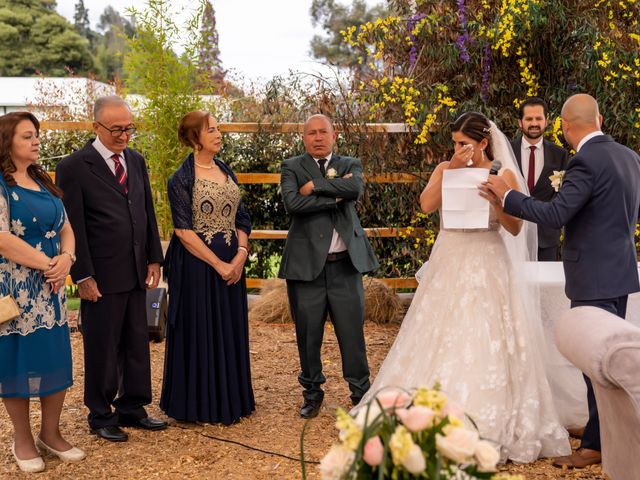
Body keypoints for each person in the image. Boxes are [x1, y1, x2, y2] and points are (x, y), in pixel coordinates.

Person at [357, 112, 571, 463]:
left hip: (488, 260)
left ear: (484, 143)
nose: (458, 149)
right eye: (454, 143)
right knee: (437, 332)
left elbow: (516, 229)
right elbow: (426, 205)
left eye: (464, 144)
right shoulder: (445, 168)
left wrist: (496, 203)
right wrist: (452, 168)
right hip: (450, 259)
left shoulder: (502, 175)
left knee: (486, 334)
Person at [481, 94, 640, 468]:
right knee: (610, 359)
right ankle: (607, 436)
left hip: (592, 277)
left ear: (565, 126)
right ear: (599, 118)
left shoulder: (584, 161)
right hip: (619, 271)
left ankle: (595, 446)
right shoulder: (629, 157)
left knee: (595, 363)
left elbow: (556, 214)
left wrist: (509, 197)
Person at [56, 96, 166, 442]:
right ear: (96, 127)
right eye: (116, 129)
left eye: (128, 128)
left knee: (136, 340)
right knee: (102, 346)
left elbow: (145, 210)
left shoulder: (136, 159)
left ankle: (133, 407)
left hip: (135, 269)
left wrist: (154, 257)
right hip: (100, 275)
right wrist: (83, 275)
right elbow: (73, 224)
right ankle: (101, 413)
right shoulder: (74, 166)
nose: (123, 135)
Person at [279, 114, 379, 419]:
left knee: (352, 334)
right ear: (304, 138)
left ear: (334, 136)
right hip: (305, 267)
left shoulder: (351, 164)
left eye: (323, 132)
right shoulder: (291, 166)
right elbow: (292, 204)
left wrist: (315, 187)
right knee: (308, 335)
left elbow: (355, 191)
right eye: (311, 133)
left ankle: (360, 392)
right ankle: (311, 393)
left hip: (345, 267)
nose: (318, 137)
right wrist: (335, 194)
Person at [0, 112, 85, 472]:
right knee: (16, 360)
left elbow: (66, 226)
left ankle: (50, 433)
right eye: (27, 136)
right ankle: (22, 438)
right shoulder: (1, 186)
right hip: (17, 290)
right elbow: (2, 239)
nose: (36, 141)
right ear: (7, 142)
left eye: (36, 135)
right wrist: (49, 265)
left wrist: (67, 257)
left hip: (51, 289)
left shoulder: (42, 179)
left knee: (55, 357)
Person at [160, 111, 255, 424]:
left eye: (218, 129)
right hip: (197, 268)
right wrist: (218, 264)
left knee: (228, 327)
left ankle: (231, 400)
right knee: (200, 329)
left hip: (232, 265)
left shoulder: (226, 171)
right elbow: (184, 231)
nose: (218, 134)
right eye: (210, 130)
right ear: (194, 138)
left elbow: (242, 218)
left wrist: (239, 256)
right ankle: (199, 405)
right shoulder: (181, 179)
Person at [511, 97, 569, 261]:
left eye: (538, 118)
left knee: (544, 285)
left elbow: (563, 194)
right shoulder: (507, 152)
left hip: (546, 237)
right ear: (520, 122)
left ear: (546, 120)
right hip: (513, 234)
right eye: (529, 119)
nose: (534, 123)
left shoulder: (560, 154)